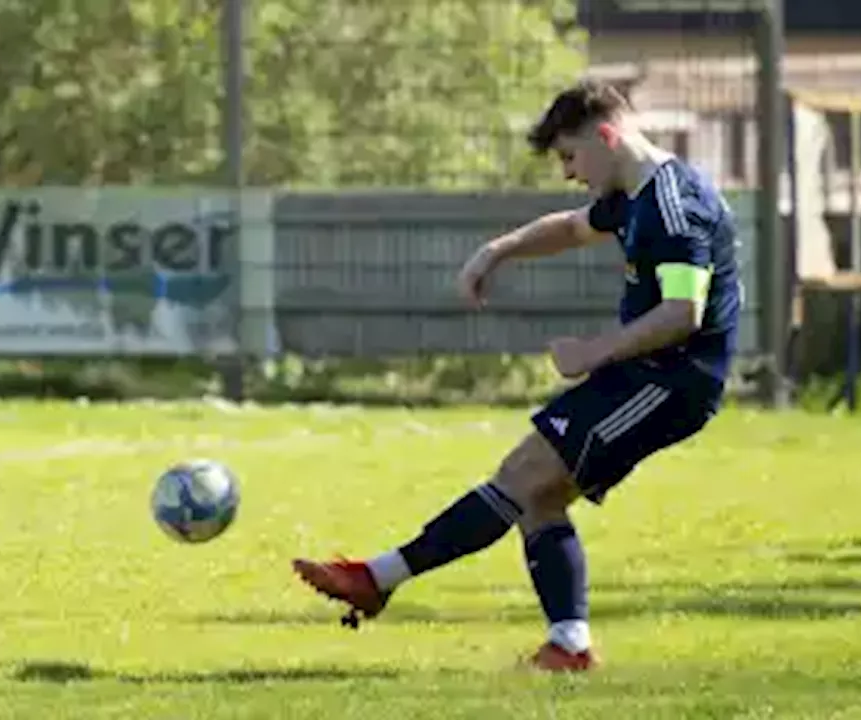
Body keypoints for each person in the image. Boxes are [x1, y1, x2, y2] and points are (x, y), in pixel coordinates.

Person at [291, 78, 743, 672]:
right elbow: (573, 227)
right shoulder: (634, 192)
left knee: (524, 475)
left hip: (670, 381)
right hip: (645, 373)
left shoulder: (673, 208)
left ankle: (379, 577)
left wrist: (596, 351)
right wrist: (495, 251)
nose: (568, 172)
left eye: (569, 156)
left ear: (607, 136)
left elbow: (683, 314)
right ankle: (568, 645)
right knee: (539, 496)